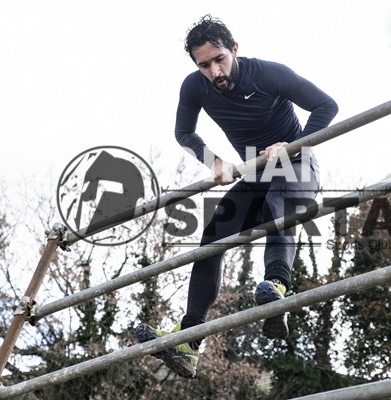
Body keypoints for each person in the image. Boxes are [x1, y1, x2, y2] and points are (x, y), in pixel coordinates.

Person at [135, 14, 338, 378]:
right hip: (256, 172)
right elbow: (184, 133)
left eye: (220, 59)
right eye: (204, 65)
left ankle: (277, 289)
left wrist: (292, 144)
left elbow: (326, 106)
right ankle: (188, 340)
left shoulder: (268, 74)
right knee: (212, 238)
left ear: (234, 49)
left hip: (297, 164)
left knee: (278, 205)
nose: (215, 71)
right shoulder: (194, 87)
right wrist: (213, 161)